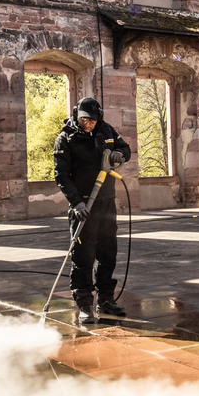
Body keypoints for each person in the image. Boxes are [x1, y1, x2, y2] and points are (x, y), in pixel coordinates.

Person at [53, 96, 132, 325]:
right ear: (77, 116)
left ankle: (106, 300)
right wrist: (76, 203)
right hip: (83, 206)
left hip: (106, 202)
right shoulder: (65, 139)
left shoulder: (106, 130)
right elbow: (61, 176)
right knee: (83, 257)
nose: (88, 124)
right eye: (84, 120)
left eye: (92, 120)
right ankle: (85, 305)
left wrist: (120, 154)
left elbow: (125, 148)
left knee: (108, 254)